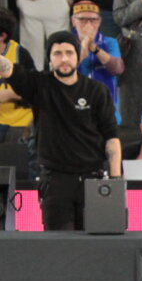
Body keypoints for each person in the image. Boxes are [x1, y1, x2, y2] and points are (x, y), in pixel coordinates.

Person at [0, 31, 121, 230]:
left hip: (93, 181)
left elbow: (112, 138)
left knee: (98, 249)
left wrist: (116, 182)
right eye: (57, 54)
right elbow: (7, 68)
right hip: (55, 183)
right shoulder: (38, 85)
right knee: (58, 251)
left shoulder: (97, 90)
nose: (64, 59)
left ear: (78, 55)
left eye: (69, 52)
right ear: (49, 59)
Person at [70, 1, 125, 126]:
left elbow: (117, 69)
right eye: (83, 20)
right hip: (73, 113)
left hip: (106, 113)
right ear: (73, 21)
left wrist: (94, 48)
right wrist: (83, 49)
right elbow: (63, 73)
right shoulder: (65, 43)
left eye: (93, 20)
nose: (89, 24)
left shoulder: (110, 43)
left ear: (99, 22)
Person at [0, 10, 35, 144]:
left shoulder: (20, 54)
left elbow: (36, 91)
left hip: (19, 123)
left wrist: (10, 94)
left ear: (2, 36)